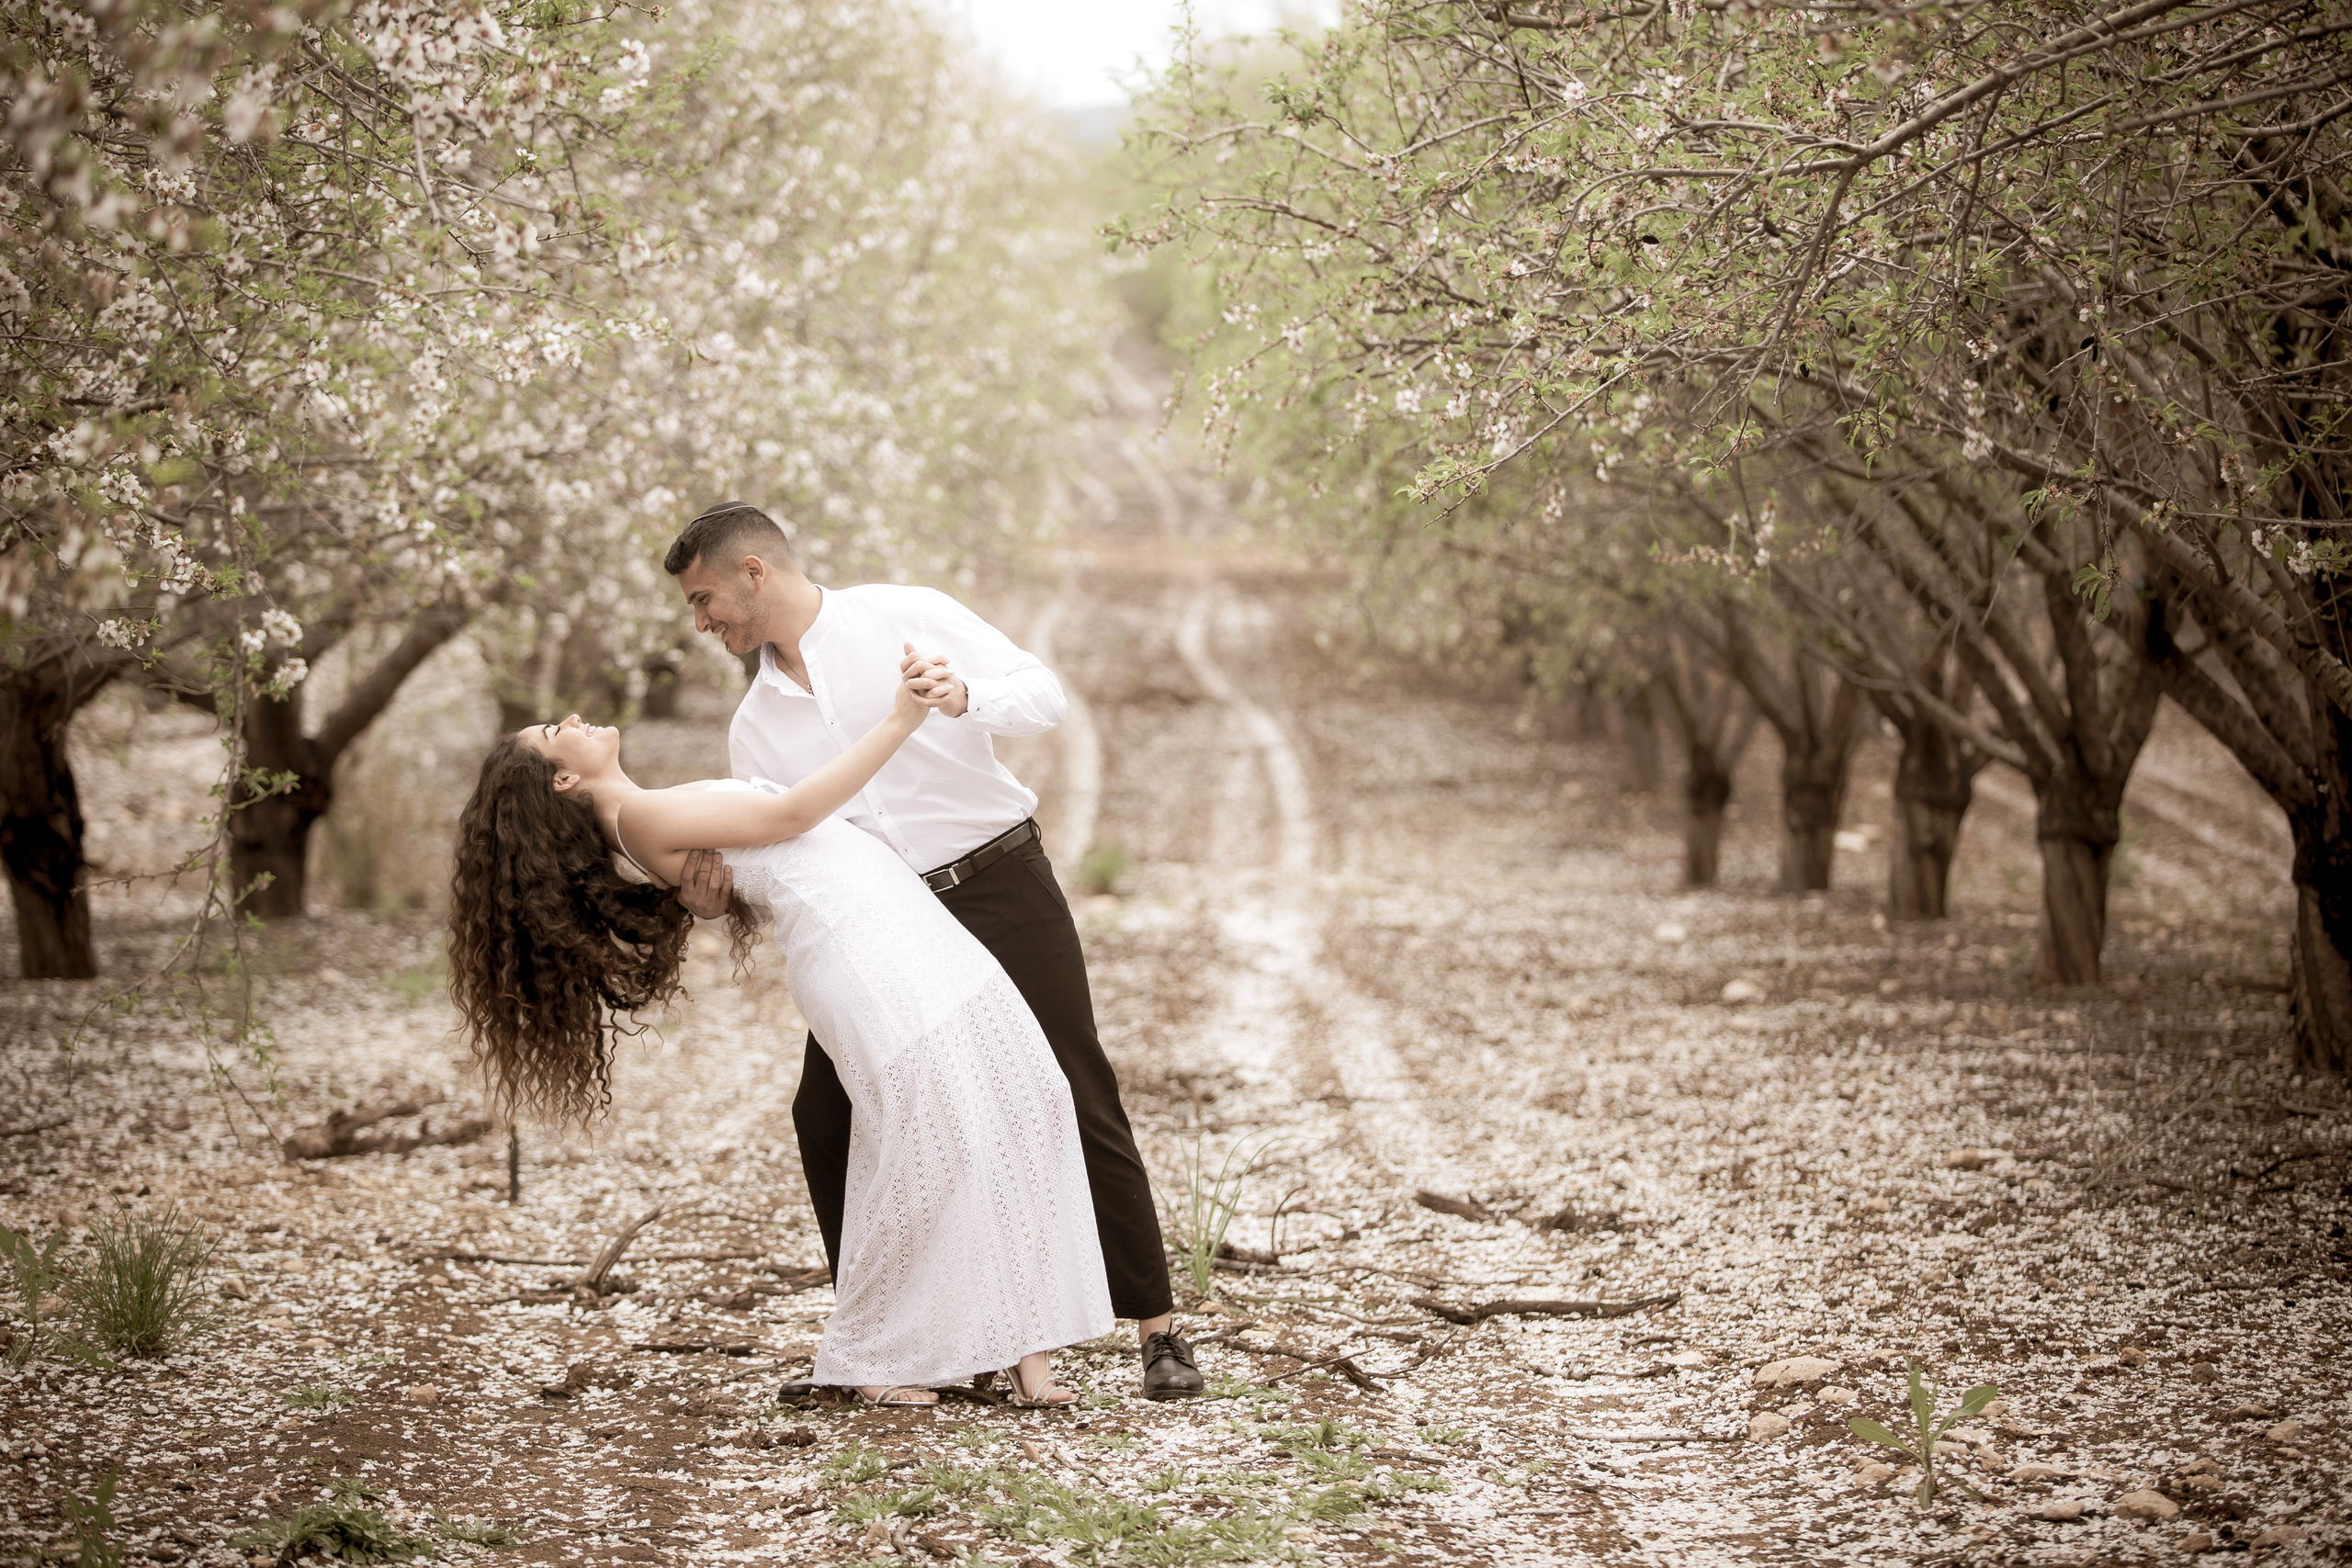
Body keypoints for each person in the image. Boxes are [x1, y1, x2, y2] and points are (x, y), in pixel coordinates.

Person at [446, 678, 1112, 1408]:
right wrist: (901, 717)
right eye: (552, 728)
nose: (571, 713)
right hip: (862, 947)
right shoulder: (638, 813)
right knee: (939, 1135)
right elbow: (795, 812)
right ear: (564, 778)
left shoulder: (642, 814)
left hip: (899, 928)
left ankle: (1024, 1349)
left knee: (1024, 1095)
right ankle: (879, 1352)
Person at [663, 501, 1203, 1401]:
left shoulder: (904, 616)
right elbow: (773, 855)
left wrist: (965, 697)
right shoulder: (754, 728)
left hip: (998, 884)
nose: (700, 620)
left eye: (705, 596)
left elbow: (1044, 695)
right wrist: (711, 902)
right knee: (825, 1115)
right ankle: (894, 1344)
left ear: (754, 571)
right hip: (885, 936)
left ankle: (1158, 1327)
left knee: (1072, 1081)